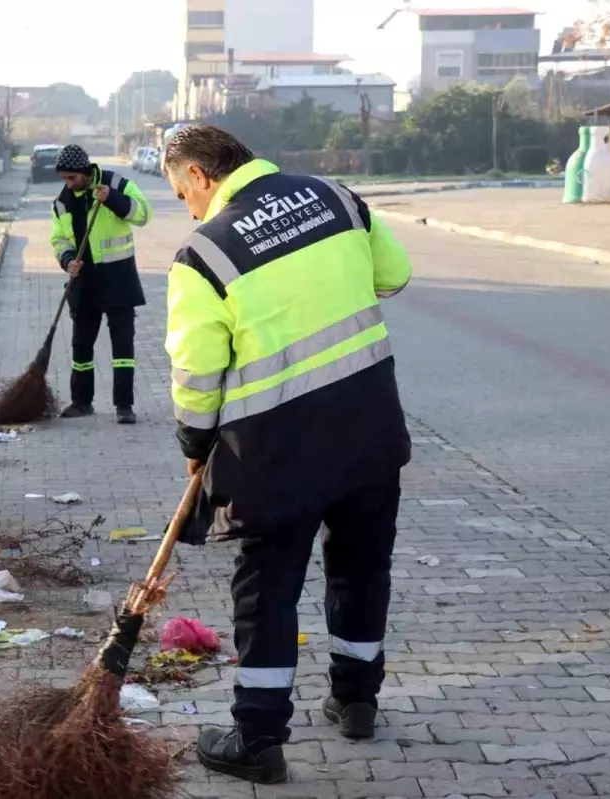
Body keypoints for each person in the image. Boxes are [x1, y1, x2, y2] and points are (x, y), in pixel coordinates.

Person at [161, 125, 413, 785]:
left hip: (277, 453)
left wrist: (194, 446)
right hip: (369, 429)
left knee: (268, 590)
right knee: (362, 567)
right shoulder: (338, 198)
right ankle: (357, 699)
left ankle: (258, 736)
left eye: (180, 193)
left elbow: (196, 375)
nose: (187, 209)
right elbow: (396, 274)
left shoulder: (204, 255)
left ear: (198, 176)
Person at [49, 144, 151, 424]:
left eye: (72, 178)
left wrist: (113, 199)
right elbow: (59, 240)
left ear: (84, 171)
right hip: (84, 284)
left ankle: (124, 406)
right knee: (81, 347)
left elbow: (143, 214)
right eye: (64, 179)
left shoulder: (115, 183)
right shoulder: (62, 202)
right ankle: (82, 402)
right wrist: (68, 260)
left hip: (119, 279)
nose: (68, 184)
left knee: (122, 348)